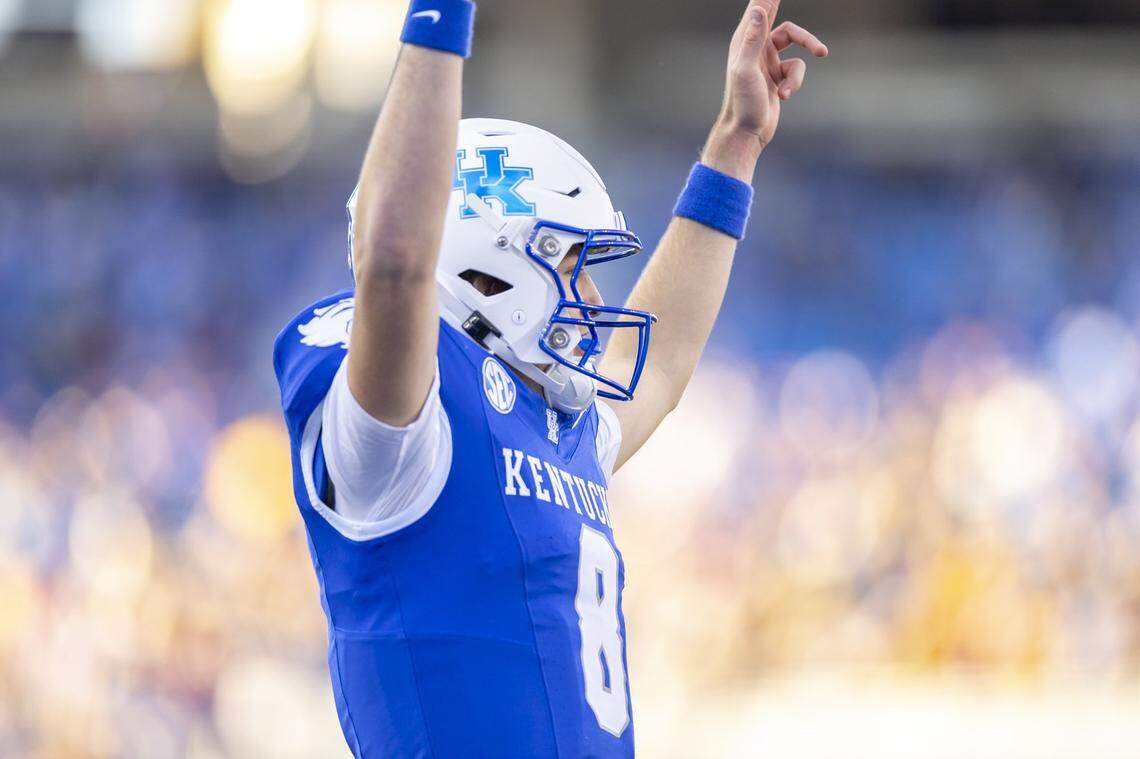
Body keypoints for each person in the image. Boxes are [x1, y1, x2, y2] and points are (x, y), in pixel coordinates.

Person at [272, 0, 826, 755]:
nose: (595, 300)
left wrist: (736, 141)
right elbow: (397, 264)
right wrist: (439, 18)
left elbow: (659, 361)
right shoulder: (408, 438)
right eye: (571, 268)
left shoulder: (557, 425)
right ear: (487, 267)